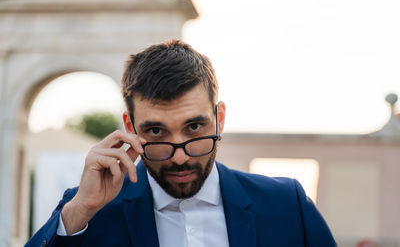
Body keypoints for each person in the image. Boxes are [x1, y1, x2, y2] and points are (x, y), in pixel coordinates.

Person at [26, 40, 336, 247]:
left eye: (194, 127)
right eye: (157, 132)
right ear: (129, 127)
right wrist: (80, 210)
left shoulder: (286, 204)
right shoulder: (86, 210)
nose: (179, 158)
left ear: (220, 118)